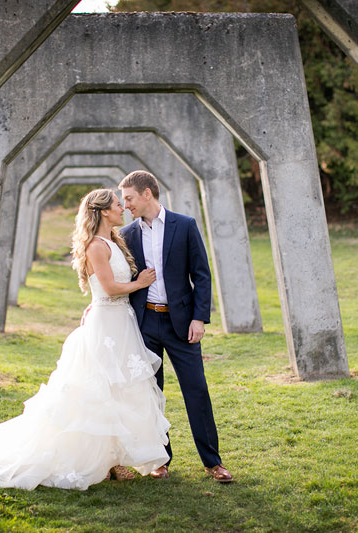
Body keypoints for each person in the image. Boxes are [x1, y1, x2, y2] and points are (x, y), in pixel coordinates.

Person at [0, 189, 170, 490]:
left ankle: (114, 459)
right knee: (100, 391)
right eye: (116, 204)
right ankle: (101, 460)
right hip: (106, 325)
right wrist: (140, 283)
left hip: (120, 323)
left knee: (118, 390)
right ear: (102, 211)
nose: (121, 208)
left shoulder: (114, 241)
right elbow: (108, 288)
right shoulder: (97, 245)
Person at [119, 170, 233, 483]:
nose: (125, 204)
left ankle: (213, 462)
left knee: (196, 390)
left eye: (129, 198)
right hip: (145, 325)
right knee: (152, 394)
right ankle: (161, 459)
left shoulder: (185, 226)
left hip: (182, 324)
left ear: (146, 194)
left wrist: (199, 318)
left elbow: (202, 274)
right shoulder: (128, 233)